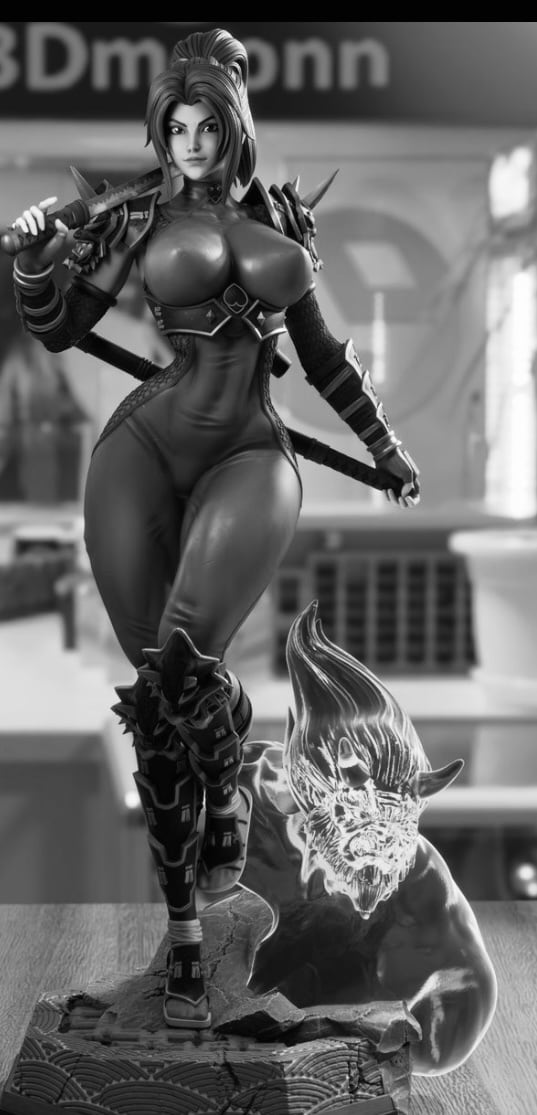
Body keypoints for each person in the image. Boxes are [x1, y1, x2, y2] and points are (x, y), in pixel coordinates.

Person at [9, 27, 420, 1031]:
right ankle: (187, 928)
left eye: (206, 126)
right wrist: (30, 264)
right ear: (162, 132)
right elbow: (59, 329)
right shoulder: (135, 216)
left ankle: (220, 789)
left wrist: (382, 443)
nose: (190, 143)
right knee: (156, 688)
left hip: (251, 452)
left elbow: (322, 357)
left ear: (234, 126)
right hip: (143, 446)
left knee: (184, 668)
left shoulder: (279, 220)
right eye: (176, 127)